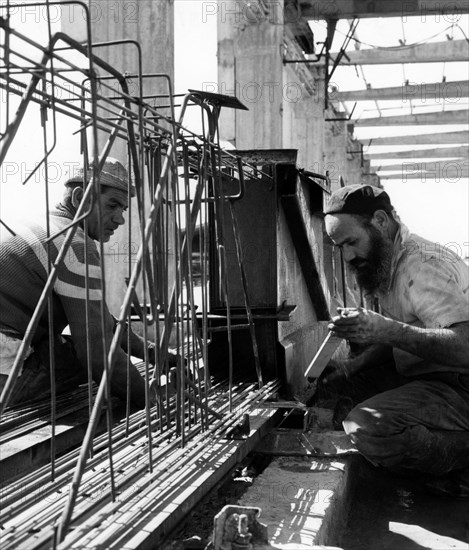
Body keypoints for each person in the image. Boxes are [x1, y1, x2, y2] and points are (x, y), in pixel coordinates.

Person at [320, 183, 469, 497]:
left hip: (459, 384)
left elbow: (464, 347)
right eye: (339, 247)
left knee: (365, 428)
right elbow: (409, 337)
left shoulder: (424, 267)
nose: (347, 256)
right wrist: (352, 367)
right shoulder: (392, 261)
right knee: (339, 391)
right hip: (433, 376)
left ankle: (461, 458)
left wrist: (383, 330)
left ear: (380, 221)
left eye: (351, 242)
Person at [0, 157, 161, 409]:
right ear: (79, 199)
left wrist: (158, 355)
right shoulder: (73, 245)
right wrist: (150, 402)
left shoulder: (38, 227)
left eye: (123, 210)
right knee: (74, 356)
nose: (120, 220)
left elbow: (104, 322)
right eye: (112, 206)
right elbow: (97, 351)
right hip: (5, 376)